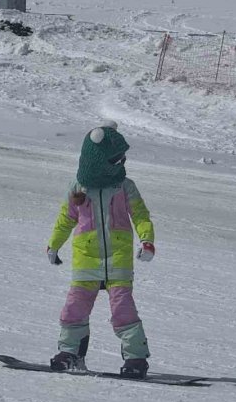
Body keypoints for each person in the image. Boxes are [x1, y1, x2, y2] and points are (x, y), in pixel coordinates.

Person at [45, 121, 155, 379]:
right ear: (98, 161)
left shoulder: (125, 186)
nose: (122, 163)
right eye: (116, 159)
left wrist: (147, 240)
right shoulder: (78, 187)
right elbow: (65, 219)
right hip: (86, 259)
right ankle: (70, 353)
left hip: (118, 259)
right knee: (75, 307)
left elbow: (140, 216)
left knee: (123, 309)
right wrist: (54, 244)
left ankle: (136, 358)